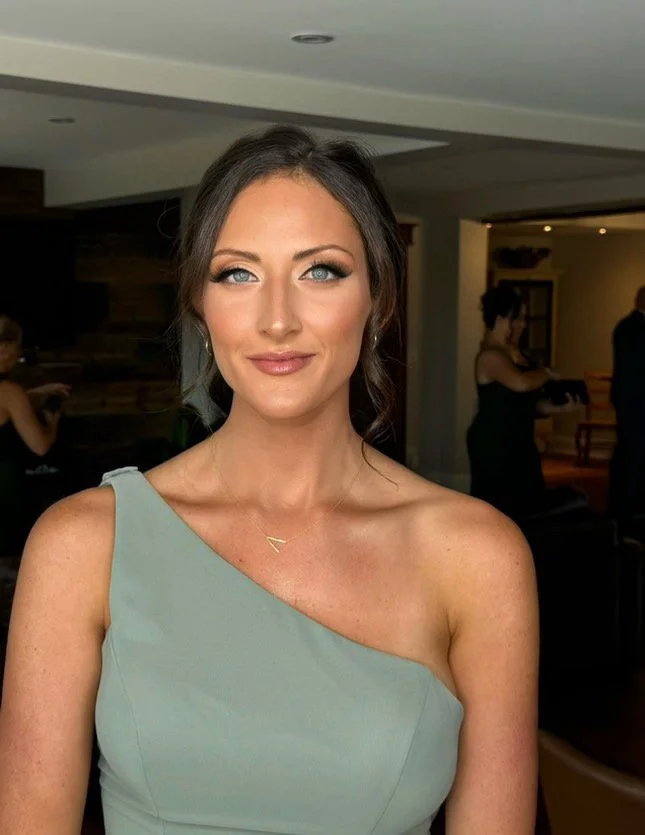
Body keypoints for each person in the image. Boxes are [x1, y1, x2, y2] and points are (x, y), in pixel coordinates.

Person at [0, 127, 538, 835]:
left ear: (377, 299)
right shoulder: (84, 542)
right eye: (237, 274)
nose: (277, 319)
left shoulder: (474, 555)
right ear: (201, 304)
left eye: (320, 271)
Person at [467, 286, 580, 520]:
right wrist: (547, 372)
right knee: (500, 510)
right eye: (517, 318)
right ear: (500, 318)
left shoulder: (515, 355)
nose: (522, 324)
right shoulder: (490, 357)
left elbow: (530, 403)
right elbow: (520, 383)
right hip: (494, 443)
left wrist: (559, 408)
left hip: (521, 441)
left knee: (530, 507)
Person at [0, 316, 69, 555]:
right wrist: (52, 423)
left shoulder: (11, 394)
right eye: (16, 348)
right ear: (3, 348)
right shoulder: (10, 392)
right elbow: (40, 446)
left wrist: (30, 394)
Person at [610, 286, 645, 537]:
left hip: (629, 400)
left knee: (628, 452)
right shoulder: (634, 328)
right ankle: (630, 511)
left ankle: (625, 507)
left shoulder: (625, 326)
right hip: (636, 402)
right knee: (634, 454)